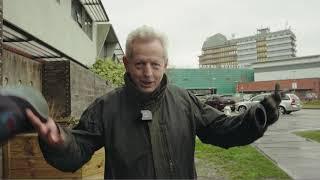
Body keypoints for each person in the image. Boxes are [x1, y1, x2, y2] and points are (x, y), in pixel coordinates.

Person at [26, 25, 281, 179]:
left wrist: (257, 117)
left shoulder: (184, 101)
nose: (148, 73)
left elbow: (223, 131)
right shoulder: (107, 108)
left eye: (155, 65)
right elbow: (76, 151)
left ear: (165, 64)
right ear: (126, 63)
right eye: (139, 64)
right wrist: (58, 141)